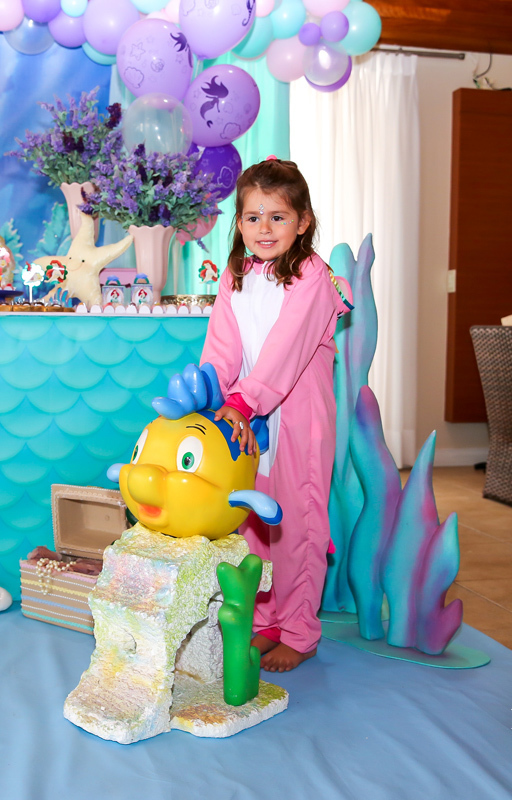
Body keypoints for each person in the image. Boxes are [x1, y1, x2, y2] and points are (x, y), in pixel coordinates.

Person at [200, 158, 351, 672]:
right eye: (253, 217)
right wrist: (213, 397)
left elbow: (286, 348)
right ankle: (265, 620)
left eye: (278, 217)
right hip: (247, 417)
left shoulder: (313, 276)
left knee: (298, 522)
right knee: (254, 521)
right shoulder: (236, 275)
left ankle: (300, 631)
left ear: (303, 222)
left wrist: (244, 401)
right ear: (239, 223)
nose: (264, 228)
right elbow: (222, 345)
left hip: (298, 418)